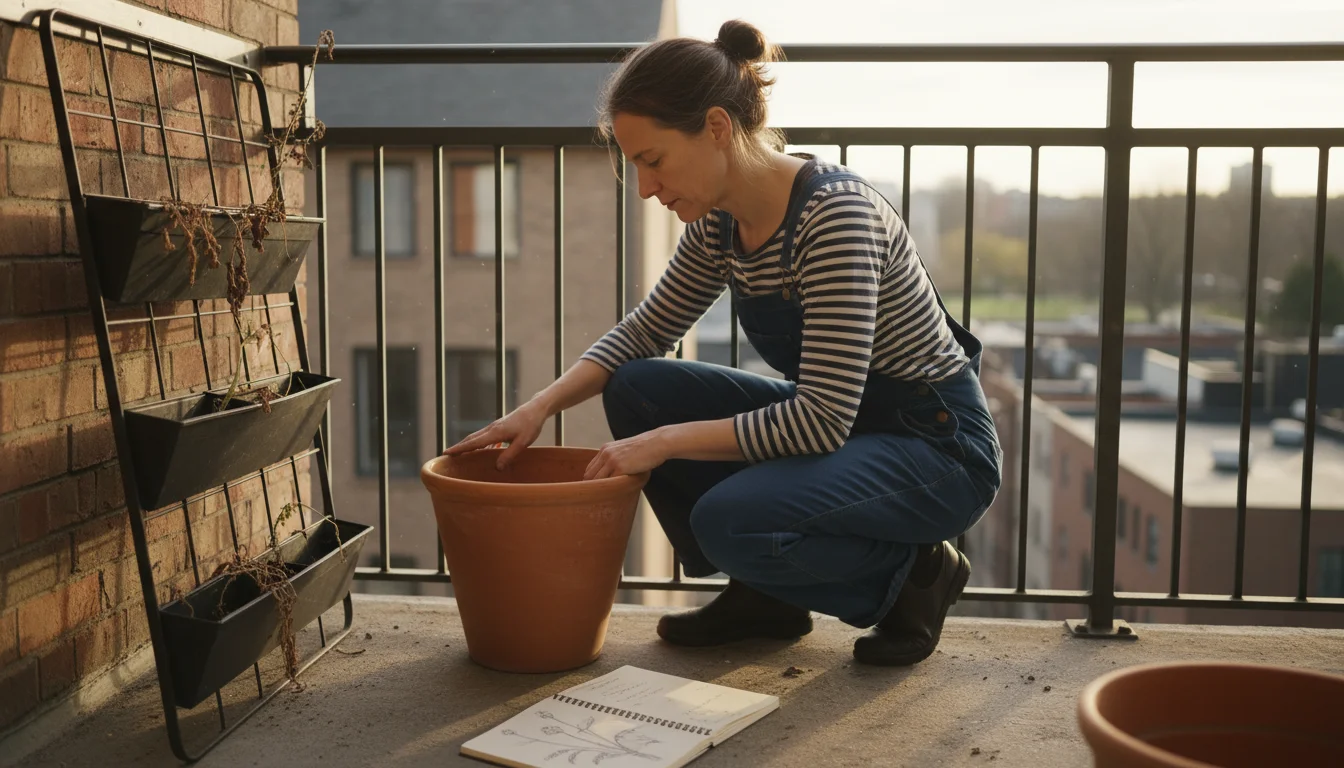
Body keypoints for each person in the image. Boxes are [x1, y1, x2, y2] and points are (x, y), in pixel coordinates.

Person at [447, 19, 1002, 666]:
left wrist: (660, 445)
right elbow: (646, 331)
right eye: (636, 167)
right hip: (851, 428)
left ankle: (916, 579)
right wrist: (538, 407)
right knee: (638, 389)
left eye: (653, 161)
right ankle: (768, 596)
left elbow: (820, 421)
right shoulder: (720, 223)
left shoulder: (834, 220)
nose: (647, 188)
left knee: (727, 518)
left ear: (715, 127)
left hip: (934, 446)